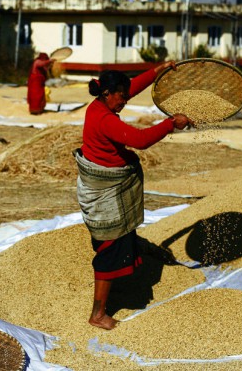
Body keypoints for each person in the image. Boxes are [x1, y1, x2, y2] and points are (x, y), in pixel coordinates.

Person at [74, 62, 190, 330]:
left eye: (126, 97)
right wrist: (171, 123)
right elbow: (140, 140)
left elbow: (130, 88)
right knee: (109, 250)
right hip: (104, 192)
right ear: (107, 94)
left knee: (120, 241)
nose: (124, 102)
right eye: (121, 97)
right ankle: (98, 314)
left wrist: (156, 71)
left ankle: (125, 270)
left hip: (109, 186)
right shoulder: (104, 119)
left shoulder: (101, 103)